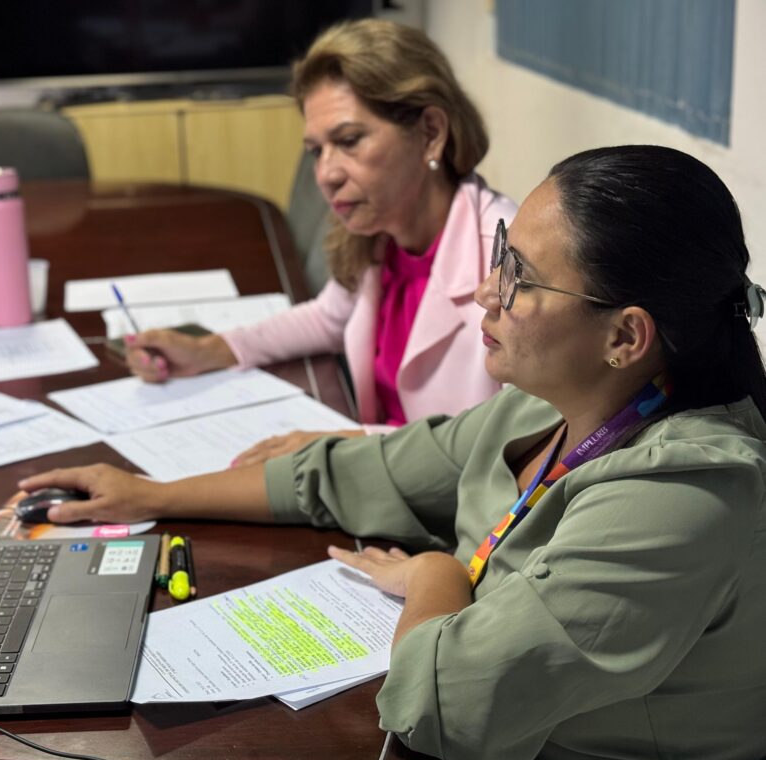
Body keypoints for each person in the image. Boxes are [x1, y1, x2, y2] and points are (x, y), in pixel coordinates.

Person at [22, 145, 766, 760]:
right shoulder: (549, 403)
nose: (487, 291)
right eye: (501, 253)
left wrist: (437, 575)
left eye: (521, 277)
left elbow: (440, 704)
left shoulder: (682, 496)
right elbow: (356, 472)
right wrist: (148, 494)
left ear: (625, 336)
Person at [124, 19, 516, 466]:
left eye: (348, 141)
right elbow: (328, 318)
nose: (326, 174)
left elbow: (512, 440)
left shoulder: (510, 261)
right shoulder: (382, 231)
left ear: (430, 132)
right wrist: (209, 350)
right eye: (316, 150)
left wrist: (344, 442)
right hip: (382, 475)